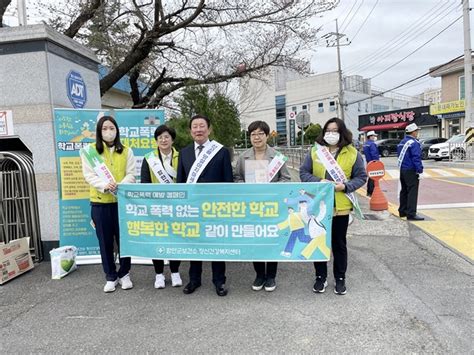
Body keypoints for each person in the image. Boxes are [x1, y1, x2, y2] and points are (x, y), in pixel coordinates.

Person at [300, 117, 367, 295]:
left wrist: (345, 186)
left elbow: (361, 177)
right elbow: (303, 173)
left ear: (342, 132)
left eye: (335, 130)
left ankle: (340, 278)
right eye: (328, 130)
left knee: (338, 244)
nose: (331, 134)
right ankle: (320, 277)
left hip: (341, 207)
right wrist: (319, 181)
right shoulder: (316, 152)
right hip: (319, 206)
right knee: (319, 242)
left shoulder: (352, 153)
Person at [177, 114, 233, 296]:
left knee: (216, 244)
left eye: (202, 126)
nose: (198, 129)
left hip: (215, 208)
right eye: (195, 126)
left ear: (209, 129)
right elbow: (181, 182)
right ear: (190, 130)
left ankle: (219, 281)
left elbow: (228, 182)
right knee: (194, 244)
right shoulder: (184, 152)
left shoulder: (221, 151)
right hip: (192, 208)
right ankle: (194, 280)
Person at [80, 116, 136, 293]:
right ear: (98, 131)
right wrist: (105, 186)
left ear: (117, 130)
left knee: (124, 241)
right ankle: (111, 276)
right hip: (100, 203)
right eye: (104, 129)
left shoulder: (126, 151)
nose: (108, 132)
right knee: (105, 242)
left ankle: (125, 273)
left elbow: (131, 174)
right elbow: (89, 175)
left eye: (111, 128)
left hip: (122, 203)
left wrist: (120, 185)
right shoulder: (89, 151)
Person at [234, 120, 291, 292]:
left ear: (267, 136)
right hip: (252, 207)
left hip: (271, 206)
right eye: (253, 134)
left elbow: (286, 178)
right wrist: (245, 186)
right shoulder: (243, 157)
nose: (256, 137)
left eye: (260, 134)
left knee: (272, 239)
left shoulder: (277, 157)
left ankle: (271, 276)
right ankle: (259, 274)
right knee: (256, 240)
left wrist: (272, 189)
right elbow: (236, 178)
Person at [141, 125, 182, 289]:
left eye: (166, 137)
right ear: (156, 141)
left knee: (175, 239)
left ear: (172, 139)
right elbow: (145, 183)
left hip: (177, 207)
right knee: (156, 239)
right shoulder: (149, 159)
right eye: (160, 138)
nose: (163, 140)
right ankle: (159, 274)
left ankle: (175, 271)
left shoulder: (181, 156)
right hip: (156, 207)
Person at [397, 123, 424, 221]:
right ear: (413, 132)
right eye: (417, 131)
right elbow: (416, 157)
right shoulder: (413, 143)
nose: (417, 133)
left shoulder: (402, 142)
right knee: (412, 192)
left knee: (404, 190)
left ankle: (402, 211)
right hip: (411, 170)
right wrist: (419, 170)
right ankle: (411, 214)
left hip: (402, 169)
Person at [362, 130, 380, 197]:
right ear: (370, 136)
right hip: (373, 162)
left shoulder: (366, 144)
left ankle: (368, 191)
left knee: (370, 177)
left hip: (368, 162)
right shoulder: (372, 144)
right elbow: (374, 154)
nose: (375, 137)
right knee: (373, 177)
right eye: (374, 136)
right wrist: (377, 162)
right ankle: (371, 192)